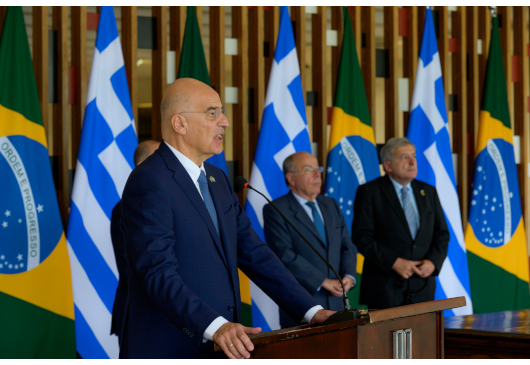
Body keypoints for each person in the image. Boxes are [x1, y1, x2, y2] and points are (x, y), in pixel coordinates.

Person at [120, 78, 334, 359]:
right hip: (171, 346)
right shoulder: (149, 181)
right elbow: (157, 272)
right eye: (212, 113)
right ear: (179, 124)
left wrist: (312, 311)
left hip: (224, 346)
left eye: (221, 112)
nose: (224, 122)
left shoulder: (217, 180)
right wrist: (215, 326)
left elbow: (255, 254)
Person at [351, 137, 449, 309]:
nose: (412, 162)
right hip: (385, 289)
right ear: (388, 166)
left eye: (414, 156)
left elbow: (441, 234)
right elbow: (362, 237)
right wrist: (394, 262)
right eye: (404, 157)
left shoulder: (428, 191)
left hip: (422, 288)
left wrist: (433, 262)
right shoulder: (370, 192)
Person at [263, 152, 358, 328]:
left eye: (318, 168)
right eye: (309, 170)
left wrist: (349, 277)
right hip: (303, 303)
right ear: (291, 178)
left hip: (338, 301)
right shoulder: (276, 209)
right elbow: (284, 255)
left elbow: (347, 245)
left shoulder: (330, 204)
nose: (317, 174)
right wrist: (323, 281)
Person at [110, 140, 160, 345]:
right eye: (160, 159)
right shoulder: (127, 207)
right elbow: (131, 269)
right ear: (142, 166)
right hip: (141, 315)